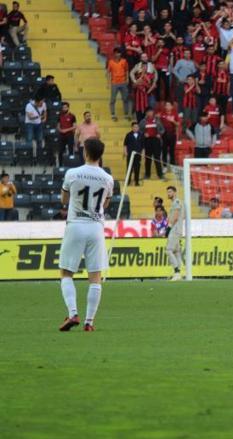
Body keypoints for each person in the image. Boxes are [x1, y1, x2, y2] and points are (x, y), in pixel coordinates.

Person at [57, 138, 113, 332]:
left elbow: (64, 200)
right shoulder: (107, 178)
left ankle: (73, 313)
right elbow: (106, 203)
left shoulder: (72, 173)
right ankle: (89, 322)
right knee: (95, 277)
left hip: (76, 225)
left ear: (85, 152)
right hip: (96, 227)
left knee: (66, 273)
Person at [139, 108, 165, 180]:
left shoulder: (157, 120)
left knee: (157, 158)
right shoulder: (143, 121)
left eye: (151, 112)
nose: (150, 113)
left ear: (153, 112)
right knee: (148, 158)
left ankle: (160, 175)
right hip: (147, 141)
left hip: (156, 140)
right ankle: (147, 175)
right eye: (148, 112)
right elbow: (139, 131)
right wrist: (144, 134)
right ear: (146, 113)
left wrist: (160, 134)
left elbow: (162, 129)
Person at [165, 185, 184, 281]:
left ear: (175, 193)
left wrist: (169, 227)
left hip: (175, 229)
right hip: (177, 229)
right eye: (168, 192)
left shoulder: (176, 202)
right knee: (176, 251)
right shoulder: (175, 203)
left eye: (170, 192)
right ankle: (179, 272)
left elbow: (175, 216)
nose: (169, 194)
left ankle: (177, 272)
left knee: (168, 250)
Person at [107, 50, 131, 119]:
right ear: (114, 54)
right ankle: (113, 114)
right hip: (114, 83)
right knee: (113, 99)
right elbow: (108, 73)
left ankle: (126, 114)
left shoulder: (124, 61)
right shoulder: (111, 62)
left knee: (125, 98)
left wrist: (127, 79)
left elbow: (126, 70)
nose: (118, 54)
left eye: (119, 52)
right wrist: (108, 83)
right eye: (116, 53)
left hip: (123, 82)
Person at [122, 121, 144, 186]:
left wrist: (143, 153)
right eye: (134, 127)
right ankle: (128, 182)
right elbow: (125, 144)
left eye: (137, 127)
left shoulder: (141, 135)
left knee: (137, 168)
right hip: (130, 155)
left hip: (138, 154)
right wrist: (125, 152)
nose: (135, 128)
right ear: (132, 127)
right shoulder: (128, 135)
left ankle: (136, 182)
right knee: (129, 168)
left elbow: (143, 146)